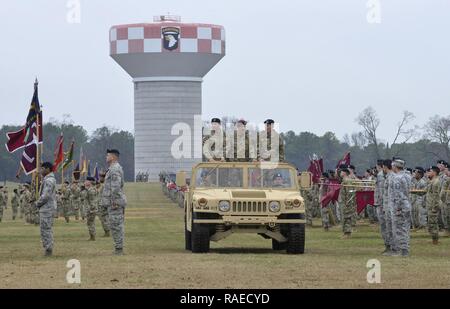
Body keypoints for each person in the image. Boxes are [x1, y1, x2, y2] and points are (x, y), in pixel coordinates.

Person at [102, 149, 127, 255]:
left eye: (108, 155)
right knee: (115, 225)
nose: (106, 157)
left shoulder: (115, 169)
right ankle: (118, 248)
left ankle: (119, 249)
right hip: (113, 201)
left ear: (113, 157)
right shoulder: (112, 168)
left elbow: (116, 186)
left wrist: (114, 201)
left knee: (116, 225)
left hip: (114, 202)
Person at [35, 162, 57, 256]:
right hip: (47, 208)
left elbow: (46, 196)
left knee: (45, 229)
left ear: (47, 169)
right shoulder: (48, 179)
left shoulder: (49, 180)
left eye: (42, 168)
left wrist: (37, 203)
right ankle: (48, 249)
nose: (40, 170)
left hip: (46, 208)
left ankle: (48, 250)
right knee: (46, 229)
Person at [391, 158, 411, 257]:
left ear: (395, 166)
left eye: (393, 166)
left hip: (401, 206)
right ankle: (405, 249)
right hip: (406, 204)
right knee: (405, 227)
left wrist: (398, 207)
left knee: (400, 228)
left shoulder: (397, 178)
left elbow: (398, 194)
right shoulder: (407, 176)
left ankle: (403, 250)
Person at [426, 166, 441, 244]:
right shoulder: (432, 181)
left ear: (434, 172)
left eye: (430, 171)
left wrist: (434, 208)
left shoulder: (436, 182)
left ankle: (435, 240)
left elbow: (436, 196)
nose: (428, 173)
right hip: (430, 205)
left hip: (433, 206)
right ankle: (433, 238)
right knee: (431, 223)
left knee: (433, 223)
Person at [339, 168, 353, 239]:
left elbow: (349, 192)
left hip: (346, 202)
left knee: (347, 217)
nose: (340, 173)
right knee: (344, 217)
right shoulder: (344, 180)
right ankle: (345, 232)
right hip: (344, 202)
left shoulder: (347, 181)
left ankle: (347, 233)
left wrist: (347, 202)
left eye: (341, 171)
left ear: (344, 173)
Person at [97, 172, 110, 237]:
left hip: (104, 204)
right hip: (103, 203)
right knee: (104, 218)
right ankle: (107, 231)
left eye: (101, 177)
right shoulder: (104, 185)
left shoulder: (105, 185)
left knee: (104, 219)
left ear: (104, 178)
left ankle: (107, 232)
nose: (99, 178)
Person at [440, 164, 450, 236]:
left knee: (448, 215)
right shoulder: (446, 179)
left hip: (448, 200)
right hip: (445, 200)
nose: (445, 172)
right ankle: (446, 229)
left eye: (447, 170)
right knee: (445, 215)